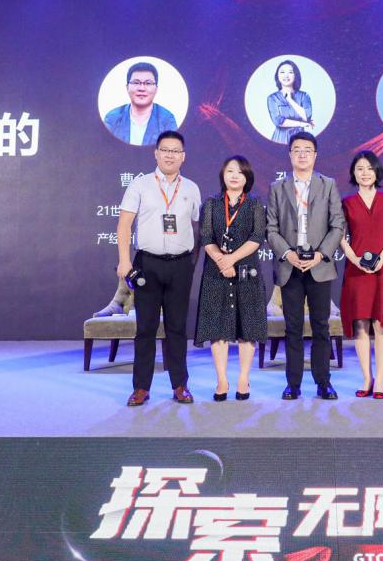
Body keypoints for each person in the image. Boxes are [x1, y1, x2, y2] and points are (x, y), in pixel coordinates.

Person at [115, 131, 202, 406]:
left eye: (175, 151)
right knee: (146, 328)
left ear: (183, 156)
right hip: (147, 264)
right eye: (165, 150)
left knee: (177, 328)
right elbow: (124, 225)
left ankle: (180, 385)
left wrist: (191, 262)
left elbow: (196, 227)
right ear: (156, 153)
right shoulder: (139, 185)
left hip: (180, 265)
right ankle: (141, 388)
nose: (170, 155)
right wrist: (125, 261)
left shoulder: (191, 188)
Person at [266, 131, 346, 400]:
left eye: (307, 150)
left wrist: (321, 255)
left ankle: (324, 382)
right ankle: (293, 384)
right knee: (293, 328)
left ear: (315, 155)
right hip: (290, 267)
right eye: (297, 149)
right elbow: (271, 228)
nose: (302, 154)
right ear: (290, 154)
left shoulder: (328, 185)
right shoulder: (278, 188)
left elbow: (337, 225)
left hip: (319, 266)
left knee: (321, 327)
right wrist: (287, 253)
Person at [194, 156, 267, 400]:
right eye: (230, 171)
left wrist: (231, 259)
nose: (235, 176)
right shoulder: (211, 203)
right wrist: (221, 261)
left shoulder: (255, 204)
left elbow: (257, 237)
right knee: (218, 327)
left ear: (247, 177)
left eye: (240, 172)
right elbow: (206, 237)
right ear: (223, 175)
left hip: (247, 272)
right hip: (216, 273)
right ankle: (221, 380)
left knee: (248, 327)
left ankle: (243, 379)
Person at [339, 151, 383, 399]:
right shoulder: (346, 203)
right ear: (353, 173)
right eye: (360, 169)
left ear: (377, 172)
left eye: (369, 168)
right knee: (360, 324)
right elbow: (341, 238)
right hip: (356, 272)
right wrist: (356, 260)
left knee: (381, 324)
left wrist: (380, 260)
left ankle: (380, 381)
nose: (365, 173)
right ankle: (367, 378)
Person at [103, 61, 179, 146]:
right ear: (127, 87)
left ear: (156, 89)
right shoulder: (113, 118)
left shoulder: (167, 119)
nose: (142, 88)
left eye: (148, 83)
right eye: (136, 82)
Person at [266, 59, 315, 143]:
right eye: (282, 72)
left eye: (290, 72)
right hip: (280, 139)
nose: (286, 75)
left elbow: (306, 117)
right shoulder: (272, 98)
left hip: (300, 139)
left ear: (296, 75)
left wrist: (290, 100)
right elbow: (278, 121)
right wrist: (302, 124)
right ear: (277, 76)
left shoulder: (304, 96)